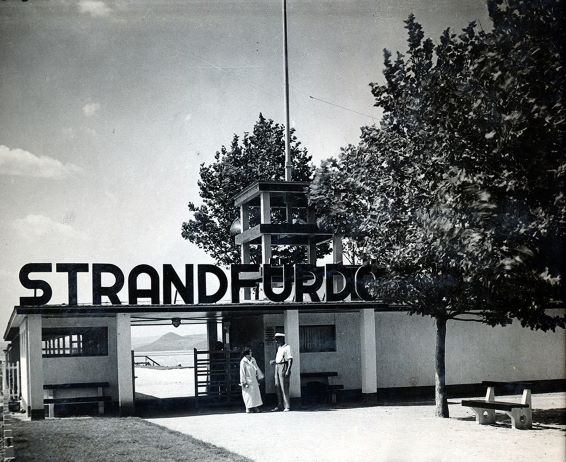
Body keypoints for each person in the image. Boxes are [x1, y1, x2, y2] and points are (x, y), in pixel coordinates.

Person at [269, 332, 293, 411]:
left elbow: (290, 359)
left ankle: (287, 406)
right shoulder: (279, 348)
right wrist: (274, 361)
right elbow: (279, 359)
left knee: (284, 387)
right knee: (277, 386)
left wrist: (288, 370)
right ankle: (280, 405)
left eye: (277, 339)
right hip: (277, 366)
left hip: (283, 366)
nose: (276, 341)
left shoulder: (287, 347)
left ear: (282, 339)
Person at [239, 347, 264, 413]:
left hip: (254, 379)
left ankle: (255, 407)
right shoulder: (243, 361)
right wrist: (243, 382)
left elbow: (257, 368)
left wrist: (259, 376)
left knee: (255, 394)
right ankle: (248, 408)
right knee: (248, 395)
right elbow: (242, 372)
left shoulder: (253, 359)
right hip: (247, 380)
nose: (251, 353)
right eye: (250, 352)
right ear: (246, 353)